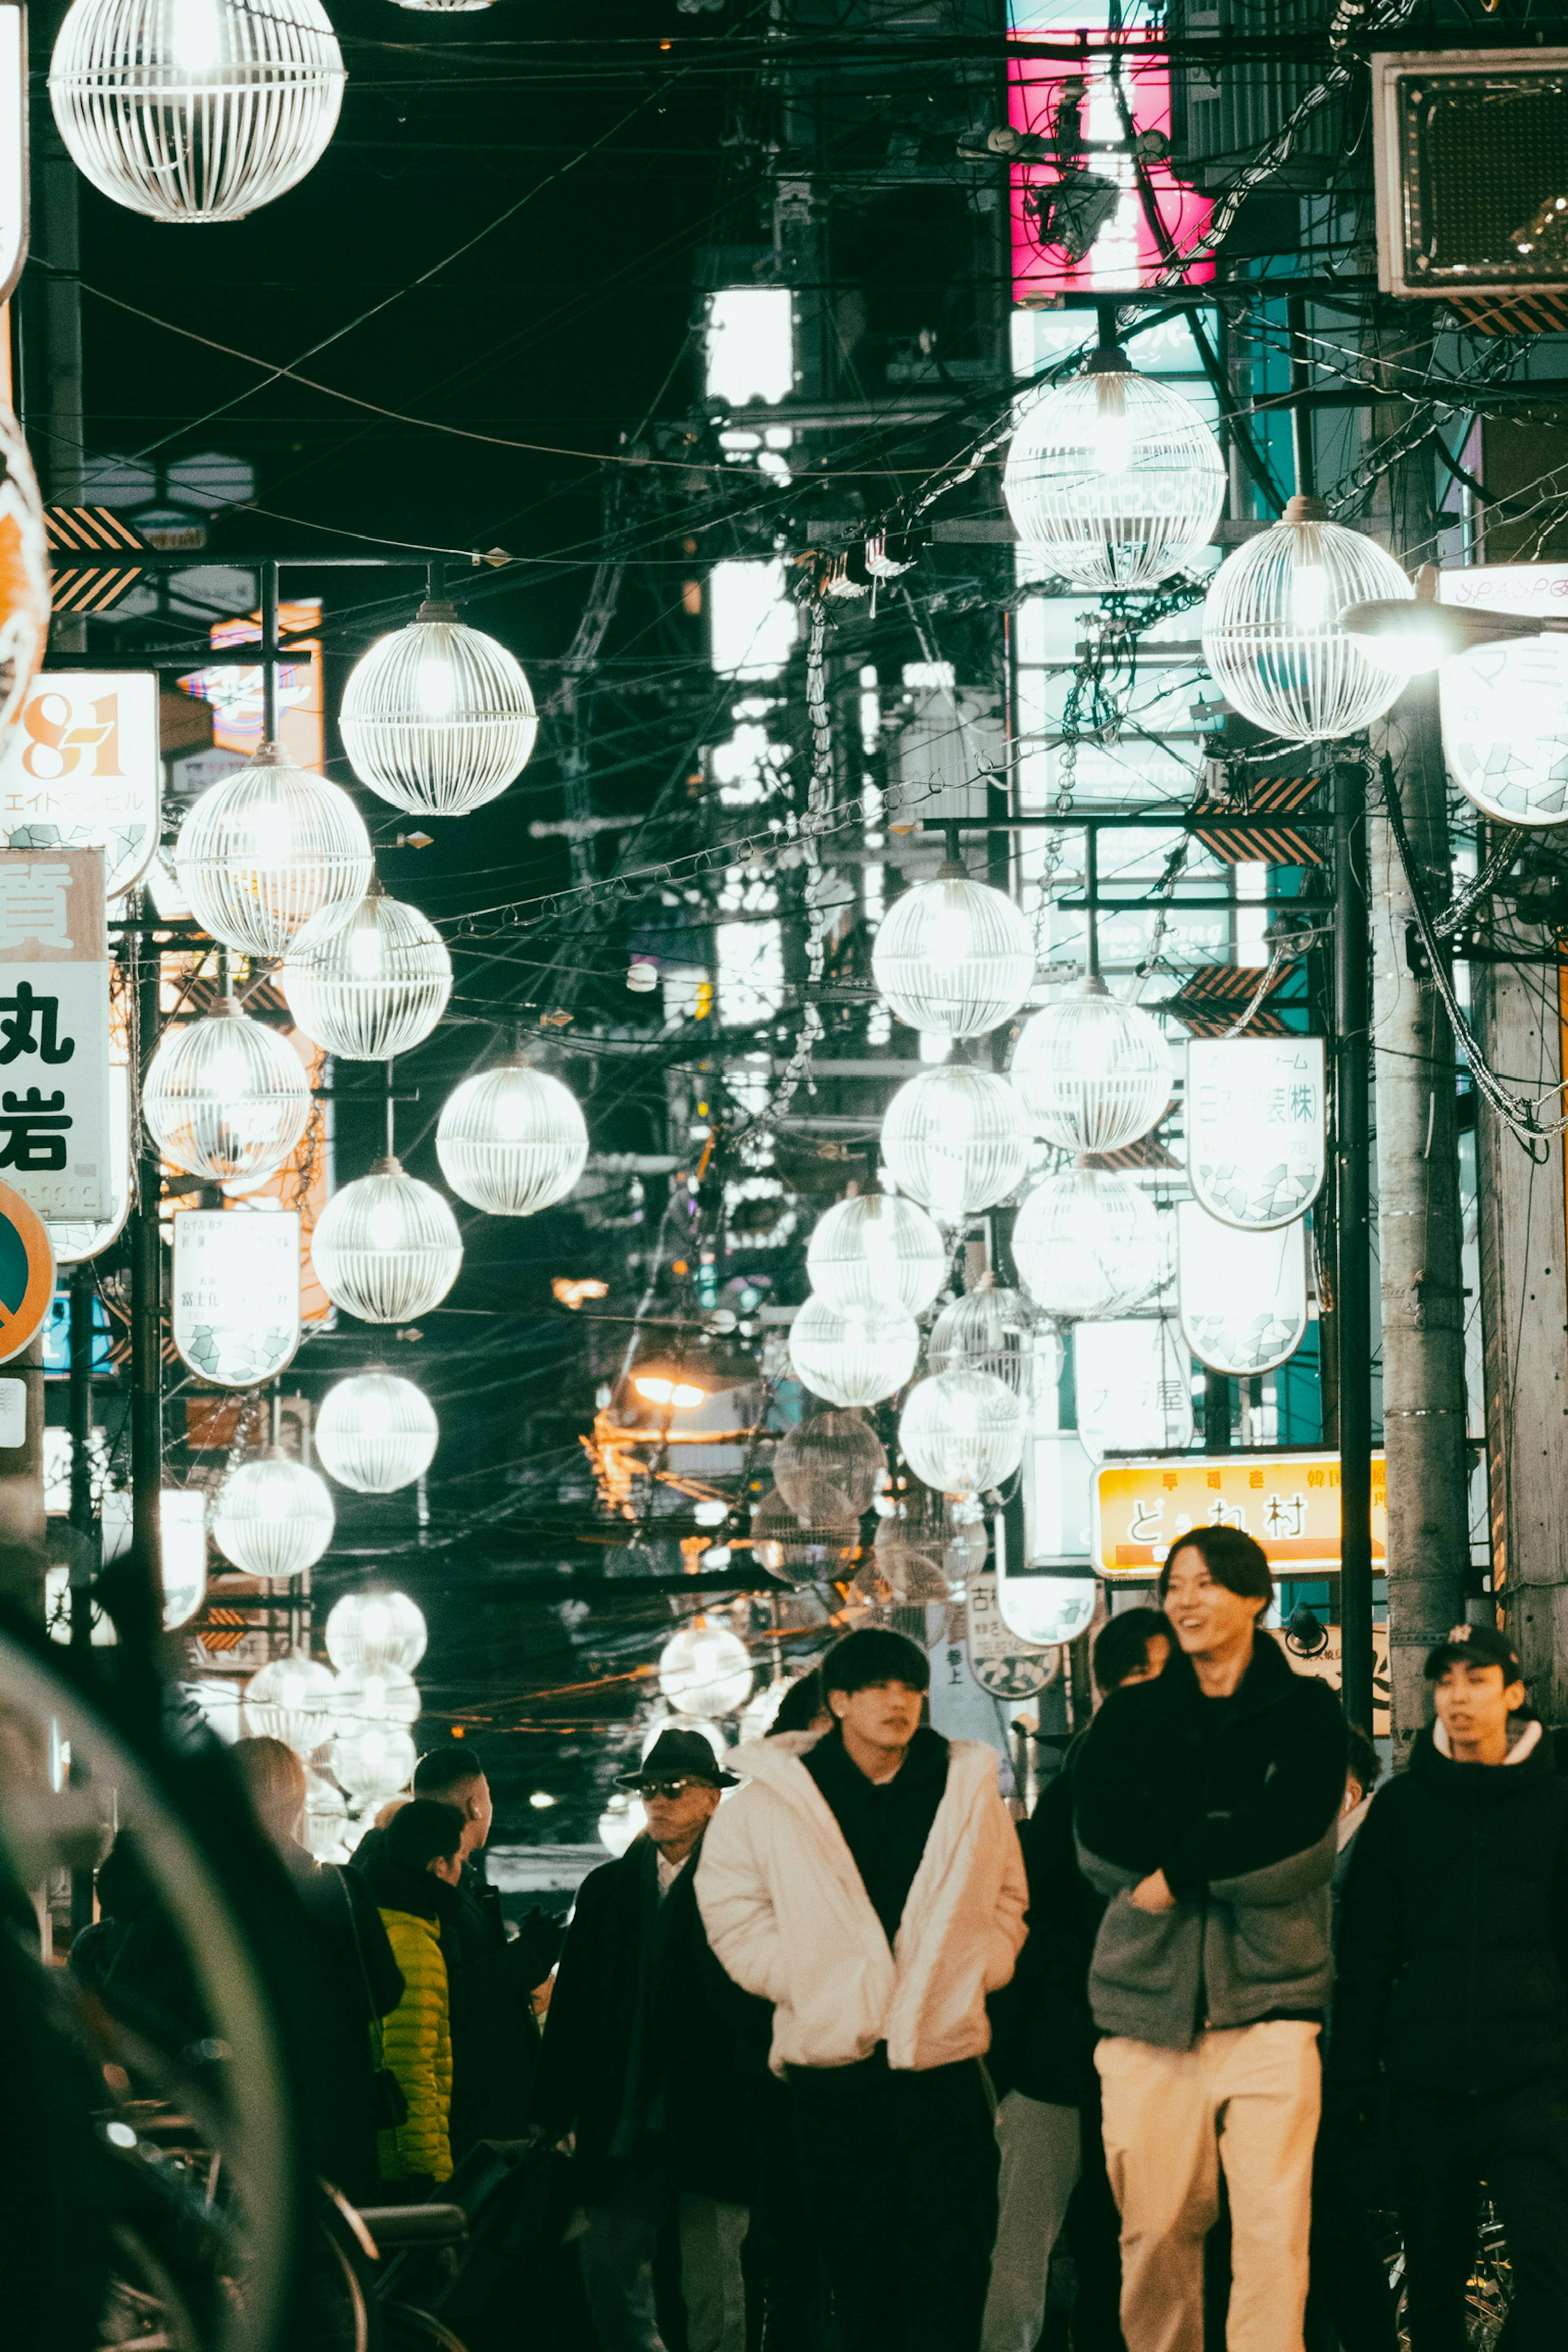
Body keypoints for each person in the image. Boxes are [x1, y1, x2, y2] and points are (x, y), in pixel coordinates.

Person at [697, 1626, 1027, 2352]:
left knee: (954, 2269)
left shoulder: (964, 1785)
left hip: (943, 2064)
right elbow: (729, 1908)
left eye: (911, 1686)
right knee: (863, 2275)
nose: (898, 1701)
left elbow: (1009, 1897)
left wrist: (982, 1967)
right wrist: (806, 1981)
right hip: (835, 2077)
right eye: (878, 1686)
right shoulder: (774, 1801)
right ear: (839, 1700)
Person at [1073, 1526, 1347, 2352]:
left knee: (1272, 2237)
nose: (1186, 1601)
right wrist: (1229, 1832)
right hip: (1143, 2012)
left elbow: (1299, 1849)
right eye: (1175, 1585)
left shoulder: (1306, 1710)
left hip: (1273, 2005)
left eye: (1207, 1585)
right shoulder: (1132, 1716)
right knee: (1154, 2230)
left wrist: (1180, 1862)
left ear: (1257, 1597)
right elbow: (1102, 1844)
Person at [1332, 1622, 1568, 2351]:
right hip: (1425, 2083)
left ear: (1514, 1694)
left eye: (1477, 1681)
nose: (1459, 1698)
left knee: (1551, 2266)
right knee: (1434, 2278)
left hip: (1536, 2078)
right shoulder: (1402, 1810)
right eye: (1446, 1683)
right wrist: (1354, 2077)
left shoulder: (1556, 1806)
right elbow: (1366, 1951)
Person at [531, 1727, 766, 2352]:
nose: (659, 1801)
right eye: (650, 1791)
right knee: (607, 2264)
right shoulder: (607, 1891)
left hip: (717, 2106)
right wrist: (554, 2110)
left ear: (713, 1798)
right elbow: (575, 2005)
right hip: (625, 2113)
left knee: (717, 2282)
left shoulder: (743, 1884)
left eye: (675, 1788)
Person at [981, 1605, 1172, 2352]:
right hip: (1069, 2058)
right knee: (1054, 2243)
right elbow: (1035, 1925)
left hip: (1150, 2051)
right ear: (1108, 1692)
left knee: (1140, 2243)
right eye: (1140, 1682)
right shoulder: (1077, 1791)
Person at [232, 1735, 406, 2205]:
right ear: (296, 1801)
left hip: (236, 2101)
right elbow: (386, 1990)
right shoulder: (338, 1889)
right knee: (337, 2246)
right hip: (333, 2098)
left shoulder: (210, 1897)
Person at [365, 1745, 558, 2165]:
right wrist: (531, 1954)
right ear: (475, 1806)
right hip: (462, 2116)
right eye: (488, 1797)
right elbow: (454, 1991)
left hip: (460, 2109)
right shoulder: (422, 1887)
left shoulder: (413, 1872)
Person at [1305, 1723, 1397, 2352]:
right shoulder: (1330, 1851)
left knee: (1332, 2229)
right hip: (1326, 2063)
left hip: (1349, 2071)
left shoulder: (1367, 1846)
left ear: (1348, 1788)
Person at [359, 1797, 466, 2187]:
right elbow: (410, 2069)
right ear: (439, 1866)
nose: (462, 1871)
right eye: (459, 1860)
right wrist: (431, 2171)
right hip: (404, 2167)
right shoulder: (413, 1945)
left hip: (378, 2154)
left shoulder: (380, 1923)